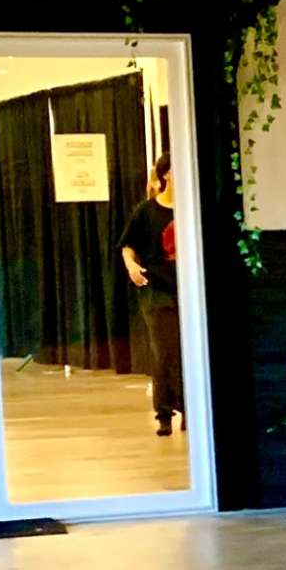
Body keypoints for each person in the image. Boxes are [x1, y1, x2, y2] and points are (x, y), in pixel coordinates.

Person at [119, 162, 184, 438]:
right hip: (156, 287)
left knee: (188, 349)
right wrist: (132, 267)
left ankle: (190, 406)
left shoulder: (190, 209)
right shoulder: (146, 211)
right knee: (165, 349)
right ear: (166, 174)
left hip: (186, 285)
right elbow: (127, 246)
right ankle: (164, 413)